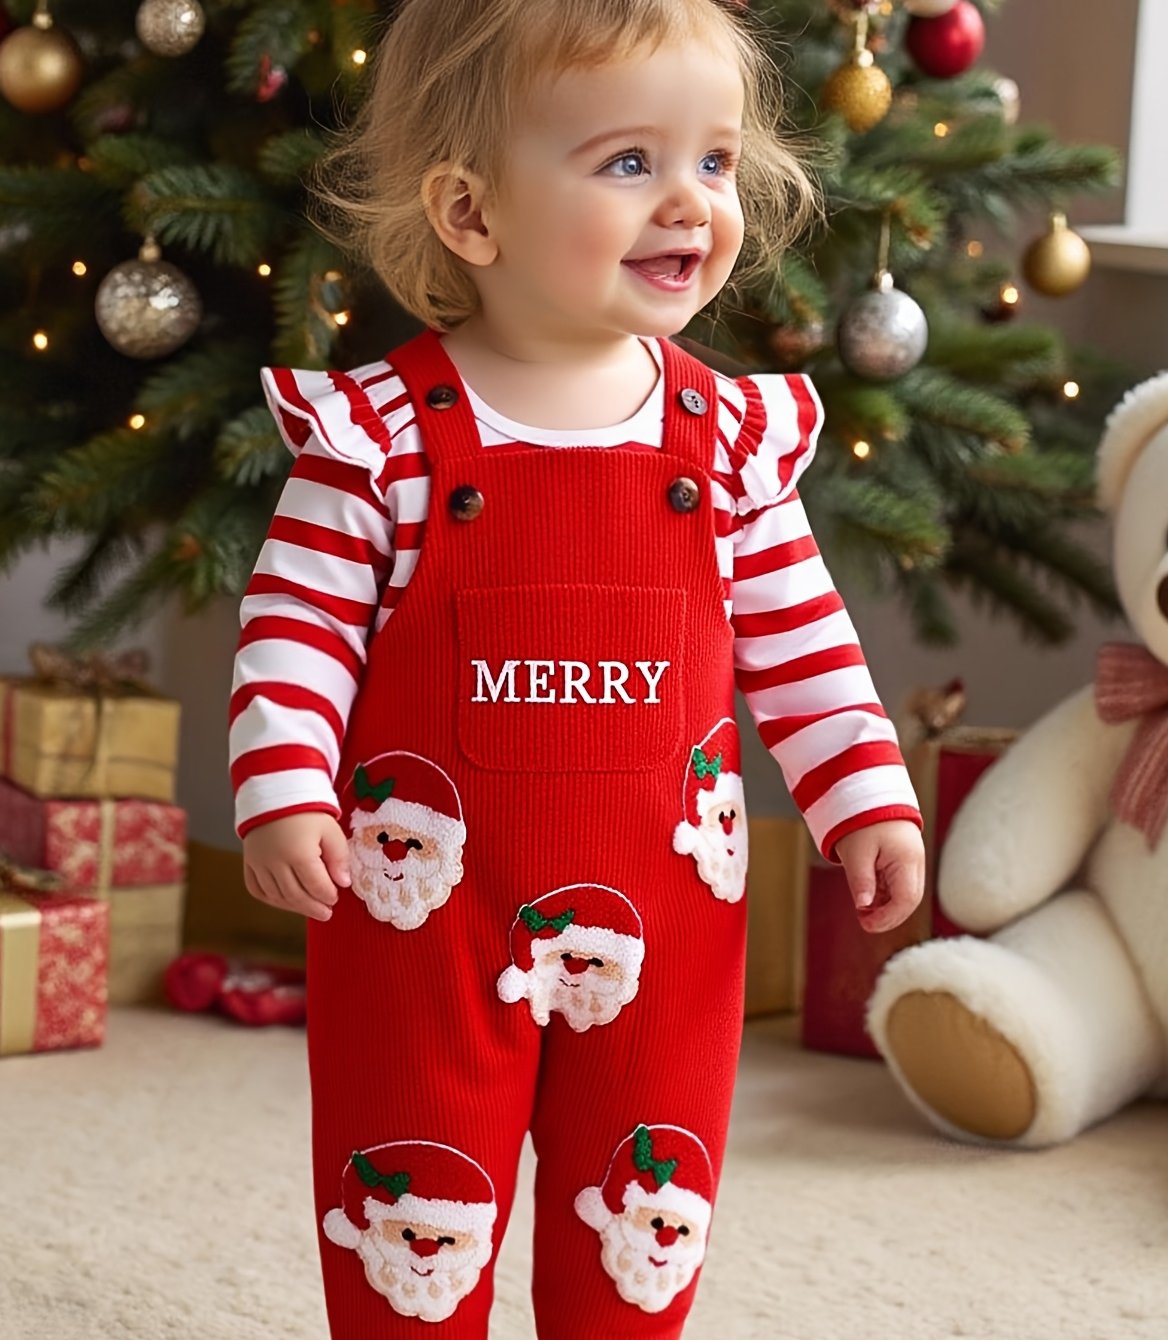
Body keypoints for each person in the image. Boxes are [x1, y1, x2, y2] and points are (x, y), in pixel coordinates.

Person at [229, 0, 925, 1334]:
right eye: (629, 163)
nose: (690, 204)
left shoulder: (730, 442)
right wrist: (284, 790)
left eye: (714, 162)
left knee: (643, 1216)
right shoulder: (377, 439)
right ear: (471, 214)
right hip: (421, 920)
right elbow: (294, 632)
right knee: (409, 1209)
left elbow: (804, 650)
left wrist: (867, 800)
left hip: (668, 928)